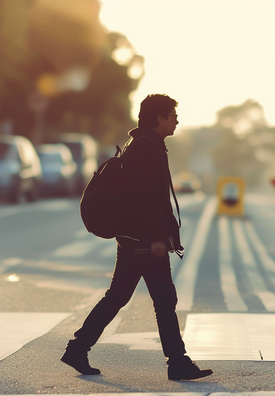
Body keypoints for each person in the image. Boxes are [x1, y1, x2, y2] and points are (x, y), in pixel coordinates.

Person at [61, 94, 213, 381]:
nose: (176, 120)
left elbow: (154, 196)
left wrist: (166, 234)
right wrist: (157, 238)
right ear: (159, 118)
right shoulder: (145, 146)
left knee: (119, 296)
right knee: (163, 298)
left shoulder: (146, 143)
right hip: (142, 239)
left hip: (134, 237)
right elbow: (146, 197)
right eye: (172, 115)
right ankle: (177, 362)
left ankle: (77, 348)